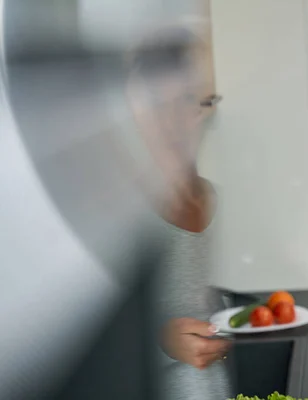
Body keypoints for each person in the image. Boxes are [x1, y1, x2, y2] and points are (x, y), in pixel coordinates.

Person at [127, 25, 231, 400]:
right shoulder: (123, 213)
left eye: (187, 99)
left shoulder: (217, 201)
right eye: (158, 102)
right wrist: (161, 339)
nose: (173, 119)